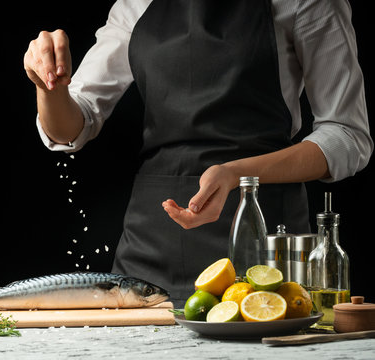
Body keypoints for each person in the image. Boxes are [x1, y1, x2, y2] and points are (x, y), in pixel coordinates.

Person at [24, 0, 372, 306]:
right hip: (150, 251)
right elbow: (71, 127)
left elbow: (347, 135)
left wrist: (237, 174)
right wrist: (49, 87)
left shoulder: (306, 2)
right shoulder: (136, 4)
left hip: (263, 246)